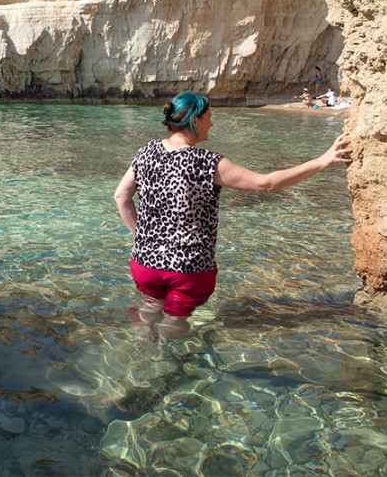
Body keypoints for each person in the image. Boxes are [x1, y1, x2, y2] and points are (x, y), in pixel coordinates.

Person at [113, 91, 351, 340]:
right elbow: (265, 184)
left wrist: (142, 238)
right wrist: (322, 161)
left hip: (144, 264)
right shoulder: (206, 162)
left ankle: (142, 346)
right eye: (209, 118)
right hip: (189, 269)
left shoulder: (146, 152)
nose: (212, 124)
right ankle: (165, 361)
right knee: (175, 317)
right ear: (195, 122)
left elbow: (121, 197)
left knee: (151, 304)